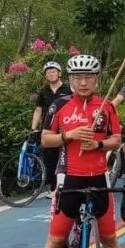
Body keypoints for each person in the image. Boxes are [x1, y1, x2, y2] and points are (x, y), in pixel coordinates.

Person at [35, 54, 125, 248]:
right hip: (69, 178)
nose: (83, 82)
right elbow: (45, 139)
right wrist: (68, 135)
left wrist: (98, 145)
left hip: (99, 178)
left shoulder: (107, 107)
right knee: (56, 241)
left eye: (89, 77)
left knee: (110, 238)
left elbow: (116, 139)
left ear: (96, 80)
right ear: (70, 79)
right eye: (78, 77)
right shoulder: (58, 105)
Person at [31, 61, 71, 198]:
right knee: (50, 160)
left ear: (59, 73)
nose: (51, 74)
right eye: (48, 72)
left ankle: (68, 186)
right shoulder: (43, 92)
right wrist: (33, 128)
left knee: (66, 157)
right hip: (49, 129)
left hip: (66, 127)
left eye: (53, 71)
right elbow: (38, 110)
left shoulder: (68, 89)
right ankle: (55, 189)